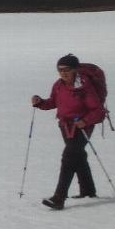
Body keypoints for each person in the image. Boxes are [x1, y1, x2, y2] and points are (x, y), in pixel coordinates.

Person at [31, 54, 103, 210]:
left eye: (67, 69)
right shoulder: (59, 85)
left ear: (75, 69)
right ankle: (88, 190)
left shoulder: (85, 86)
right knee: (77, 156)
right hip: (64, 126)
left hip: (82, 127)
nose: (63, 73)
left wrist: (85, 121)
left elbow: (98, 111)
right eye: (60, 70)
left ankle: (59, 198)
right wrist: (40, 102)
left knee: (69, 157)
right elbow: (53, 102)